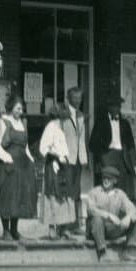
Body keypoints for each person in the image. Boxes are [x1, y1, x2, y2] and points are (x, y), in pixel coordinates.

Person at [0, 93, 38, 241]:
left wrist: (31, 159)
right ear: (11, 107)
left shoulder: (22, 124)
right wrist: (7, 158)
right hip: (9, 165)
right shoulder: (3, 122)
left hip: (22, 165)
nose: (20, 111)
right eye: (18, 108)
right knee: (7, 196)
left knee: (19, 197)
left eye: (22, 109)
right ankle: (5, 231)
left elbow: (26, 147)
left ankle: (14, 230)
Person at [38, 102, 82, 238]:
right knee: (53, 195)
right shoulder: (51, 127)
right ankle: (52, 228)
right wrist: (56, 155)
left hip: (64, 165)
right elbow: (43, 148)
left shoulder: (60, 127)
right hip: (54, 165)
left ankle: (63, 228)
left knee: (65, 195)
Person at [84, 165, 136, 261]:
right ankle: (102, 253)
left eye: (109, 178)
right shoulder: (94, 192)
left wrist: (129, 217)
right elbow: (91, 209)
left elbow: (133, 209)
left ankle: (129, 251)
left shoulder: (120, 194)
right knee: (97, 219)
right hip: (95, 230)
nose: (106, 180)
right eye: (104, 178)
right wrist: (108, 215)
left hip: (112, 230)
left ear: (115, 181)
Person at [88, 97, 136, 198]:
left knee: (122, 186)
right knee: (108, 185)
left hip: (122, 157)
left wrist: (135, 164)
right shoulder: (101, 123)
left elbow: (131, 144)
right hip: (107, 156)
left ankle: (121, 211)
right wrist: (102, 156)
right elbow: (92, 144)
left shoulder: (125, 124)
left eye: (118, 106)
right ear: (109, 108)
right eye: (114, 106)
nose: (117, 109)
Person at [62, 87, 89, 234]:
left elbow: (82, 140)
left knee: (76, 191)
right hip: (66, 158)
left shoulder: (81, 116)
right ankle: (65, 225)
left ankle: (75, 224)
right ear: (69, 98)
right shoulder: (63, 115)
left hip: (77, 159)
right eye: (75, 98)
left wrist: (84, 158)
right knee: (67, 191)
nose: (78, 101)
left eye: (80, 98)